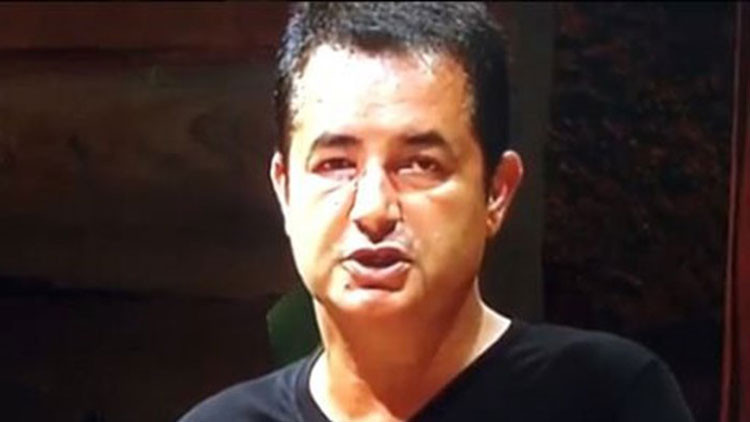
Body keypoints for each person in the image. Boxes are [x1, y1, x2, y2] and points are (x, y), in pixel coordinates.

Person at [180, 3, 694, 421]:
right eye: (336, 165)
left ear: (497, 192)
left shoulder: (605, 397)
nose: (374, 209)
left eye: (420, 165)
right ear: (285, 191)